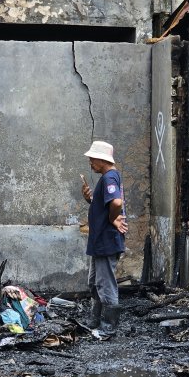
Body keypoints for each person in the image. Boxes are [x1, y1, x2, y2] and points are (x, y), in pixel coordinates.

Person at [80, 140, 128, 340]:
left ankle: (108, 327)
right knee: (94, 281)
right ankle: (96, 319)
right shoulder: (109, 177)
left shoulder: (109, 177)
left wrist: (112, 219)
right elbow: (107, 203)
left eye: (92, 159)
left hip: (106, 240)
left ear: (102, 159)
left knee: (104, 283)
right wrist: (90, 199)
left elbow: (116, 202)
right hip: (100, 240)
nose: (90, 162)